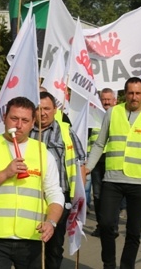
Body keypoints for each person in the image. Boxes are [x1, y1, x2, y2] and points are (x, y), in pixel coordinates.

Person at [0, 96, 64, 269]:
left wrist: (51, 222)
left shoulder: (42, 152)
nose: (18, 125)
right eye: (14, 118)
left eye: (25, 120)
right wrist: (5, 173)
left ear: (33, 122)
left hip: (31, 237)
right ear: (4, 118)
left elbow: (55, 193)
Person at [85, 77, 141, 269]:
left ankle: (126, 266)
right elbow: (99, 143)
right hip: (112, 179)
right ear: (124, 94)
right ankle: (109, 264)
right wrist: (87, 168)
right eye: (130, 93)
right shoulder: (113, 113)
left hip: (139, 181)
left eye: (138, 93)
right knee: (105, 224)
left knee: (134, 231)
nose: (134, 97)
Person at [29, 91, 86, 269]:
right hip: (31, 198)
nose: (43, 113)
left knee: (54, 246)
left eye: (47, 108)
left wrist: (79, 197)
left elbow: (80, 163)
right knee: (32, 247)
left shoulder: (66, 133)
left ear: (55, 110)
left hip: (59, 199)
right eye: (38, 109)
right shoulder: (25, 132)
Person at [90, 87, 118, 238]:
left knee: (112, 195)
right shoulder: (92, 115)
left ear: (115, 101)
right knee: (98, 195)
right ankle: (101, 226)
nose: (106, 102)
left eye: (109, 99)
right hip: (96, 161)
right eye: (104, 99)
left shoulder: (119, 116)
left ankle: (112, 226)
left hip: (113, 160)